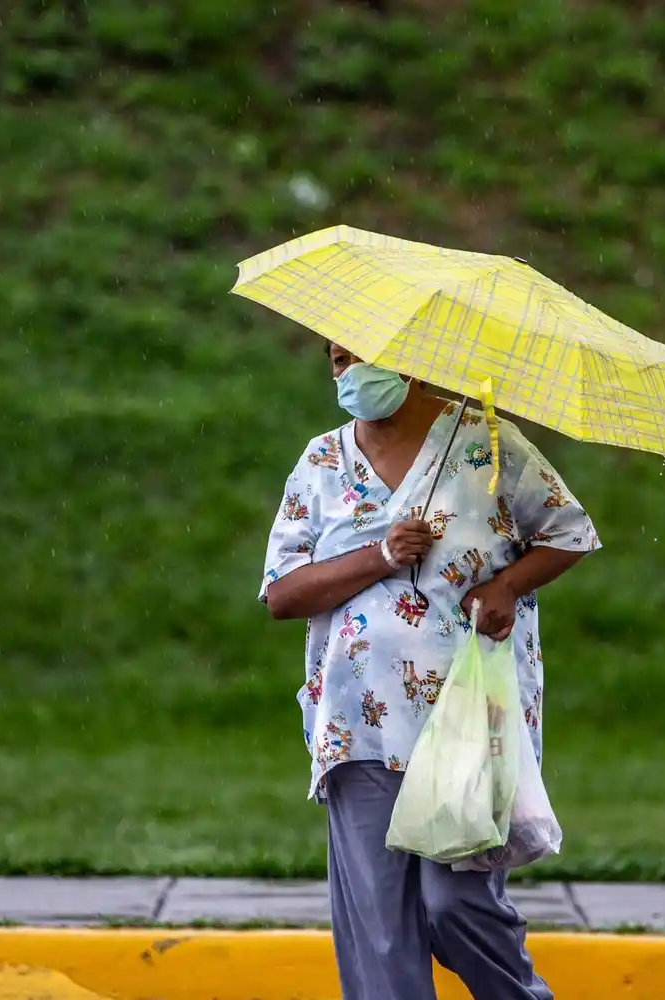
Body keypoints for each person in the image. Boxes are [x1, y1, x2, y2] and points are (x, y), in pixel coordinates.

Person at [258, 341, 600, 1000]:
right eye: (337, 360)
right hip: (359, 727)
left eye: (363, 356)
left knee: (456, 905)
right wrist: (380, 557)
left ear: (409, 362)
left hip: (468, 718)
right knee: (381, 934)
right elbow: (282, 593)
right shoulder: (322, 461)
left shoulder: (487, 445)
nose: (350, 372)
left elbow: (568, 532)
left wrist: (505, 587)